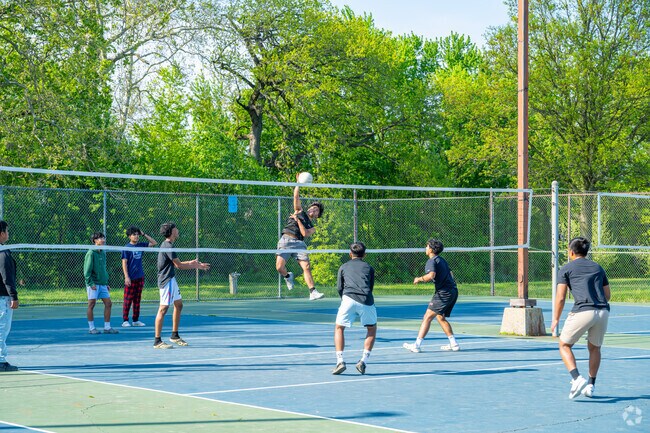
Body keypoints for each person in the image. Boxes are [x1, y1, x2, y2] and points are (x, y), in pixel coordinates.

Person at [551, 237, 610, 399]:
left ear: (571, 252)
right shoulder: (598, 268)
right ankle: (590, 386)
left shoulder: (566, 269)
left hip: (583, 311)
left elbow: (561, 297)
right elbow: (607, 295)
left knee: (564, 344)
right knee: (595, 348)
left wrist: (555, 319)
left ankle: (577, 378)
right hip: (603, 311)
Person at [154, 222, 210, 349]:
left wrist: (192, 263)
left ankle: (174, 335)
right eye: (175, 228)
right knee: (163, 309)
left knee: (179, 305)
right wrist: (195, 266)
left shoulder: (169, 245)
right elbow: (179, 266)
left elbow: (176, 263)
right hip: (166, 280)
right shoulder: (168, 246)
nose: (178, 230)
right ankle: (157, 341)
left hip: (171, 279)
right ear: (171, 231)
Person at [403, 238, 460, 353]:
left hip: (444, 293)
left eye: (427, 246)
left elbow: (431, 275)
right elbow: (451, 273)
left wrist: (419, 279)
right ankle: (454, 344)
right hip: (453, 291)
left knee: (427, 317)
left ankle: (416, 345)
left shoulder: (431, 261)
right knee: (440, 317)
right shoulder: (442, 260)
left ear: (431, 249)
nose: (425, 248)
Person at [275, 173, 325, 301]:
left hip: (299, 244)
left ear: (317, 215)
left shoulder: (312, 227)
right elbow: (296, 196)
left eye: (316, 211)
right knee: (279, 268)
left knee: (306, 267)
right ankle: (287, 276)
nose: (313, 210)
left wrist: (298, 221)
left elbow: (304, 234)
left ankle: (312, 291)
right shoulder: (299, 211)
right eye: (312, 208)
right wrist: (298, 183)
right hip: (285, 240)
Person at [332, 242, 377, 375]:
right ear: (365, 254)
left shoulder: (344, 266)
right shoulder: (369, 268)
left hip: (348, 299)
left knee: (339, 328)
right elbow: (371, 286)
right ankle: (363, 361)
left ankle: (340, 361)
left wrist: (345, 299)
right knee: (371, 329)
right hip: (366, 300)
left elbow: (339, 287)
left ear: (350, 254)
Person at [121, 226, 158, 327]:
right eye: (134, 234)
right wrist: (126, 277)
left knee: (137, 300)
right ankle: (125, 320)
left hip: (140, 277)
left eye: (137, 234)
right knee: (128, 299)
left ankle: (135, 320)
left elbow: (154, 243)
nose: (136, 236)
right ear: (129, 236)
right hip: (130, 278)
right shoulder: (126, 248)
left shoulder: (141, 245)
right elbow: (124, 263)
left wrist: (144, 234)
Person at [84, 232, 118, 335]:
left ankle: (107, 328)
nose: (102, 240)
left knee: (108, 303)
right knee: (91, 304)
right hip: (93, 284)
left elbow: (102, 269)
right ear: (95, 241)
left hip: (102, 284)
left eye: (103, 238)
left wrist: (105, 282)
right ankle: (91, 328)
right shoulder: (91, 253)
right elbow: (87, 271)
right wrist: (91, 283)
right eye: (100, 238)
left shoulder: (102, 252)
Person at [0, 221, 19, 371]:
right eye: (7, 231)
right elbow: (7, 277)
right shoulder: (3, 253)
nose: (8, 233)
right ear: (1, 234)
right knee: (2, 329)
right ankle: (0, 361)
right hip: (2, 298)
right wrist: (14, 296)